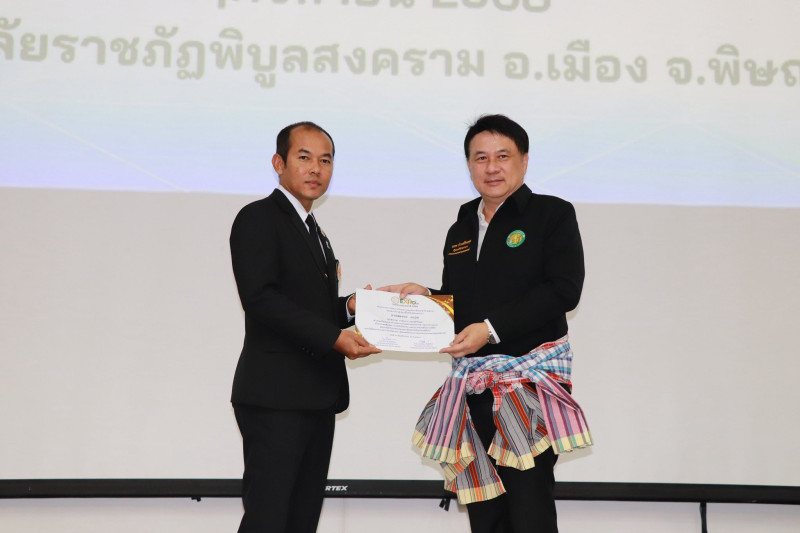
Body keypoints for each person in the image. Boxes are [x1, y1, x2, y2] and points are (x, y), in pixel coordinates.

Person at [381, 114, 591, 533]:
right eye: (480, 158)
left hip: (528, 387)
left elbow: (563, 290)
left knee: (529, 511)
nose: (491, 167)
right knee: (486, 514)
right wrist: (428, 300)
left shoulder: (551, 214)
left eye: (502, 156)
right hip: (473, 387)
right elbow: (464, 304)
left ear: (524, 161)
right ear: (469, 165)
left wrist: (491, 329)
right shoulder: (461, 226)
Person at [229, 121, 381, 533]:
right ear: (279, 163)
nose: (316, 168)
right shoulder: (258, 218)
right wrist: (334, 338)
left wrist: (349, 307)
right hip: (276, 396)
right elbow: (261, 299)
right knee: (269, 519)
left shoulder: (314, 230)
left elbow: (307, 306)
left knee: (301, 519)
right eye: (304, 157)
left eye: (325, 160)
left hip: (315, 395)